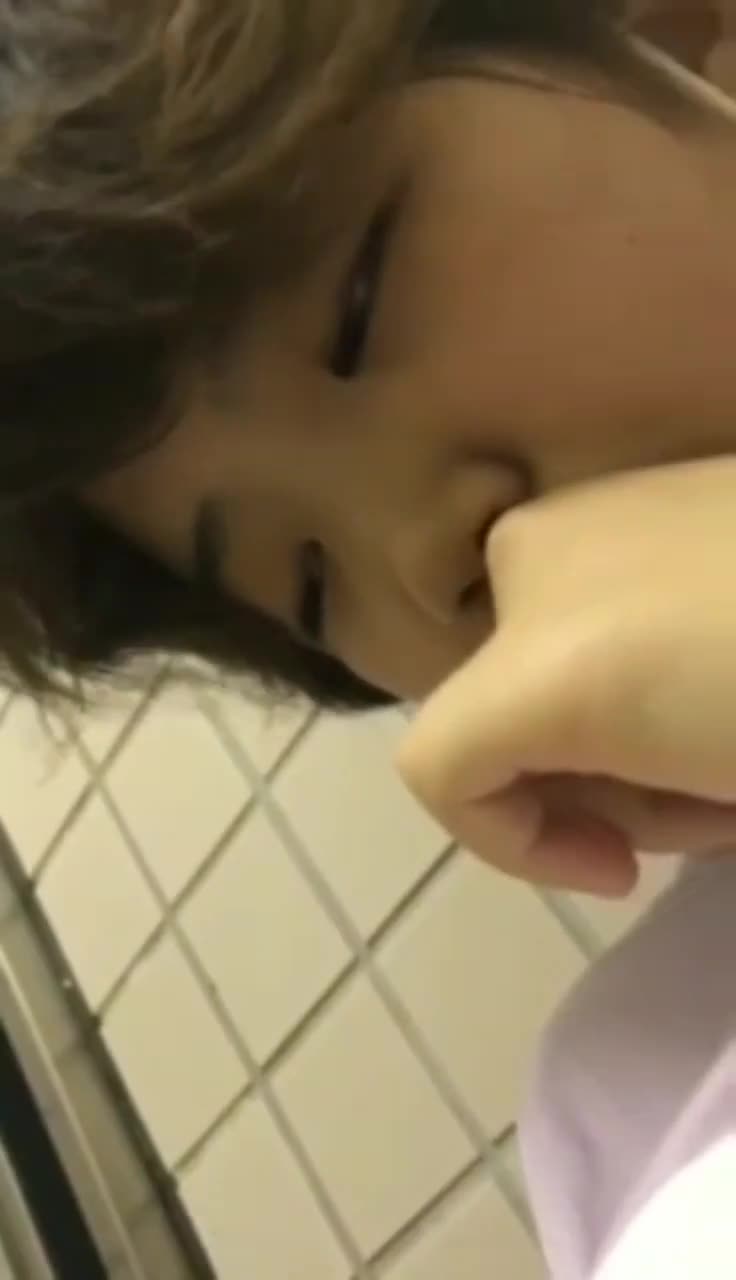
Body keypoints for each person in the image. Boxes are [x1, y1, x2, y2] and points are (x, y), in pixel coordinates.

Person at [3, 3, 736, 1275]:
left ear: (665, 27)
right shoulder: (637, 1102)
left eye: (358, 308)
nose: (419, 556)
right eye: (310, 583)